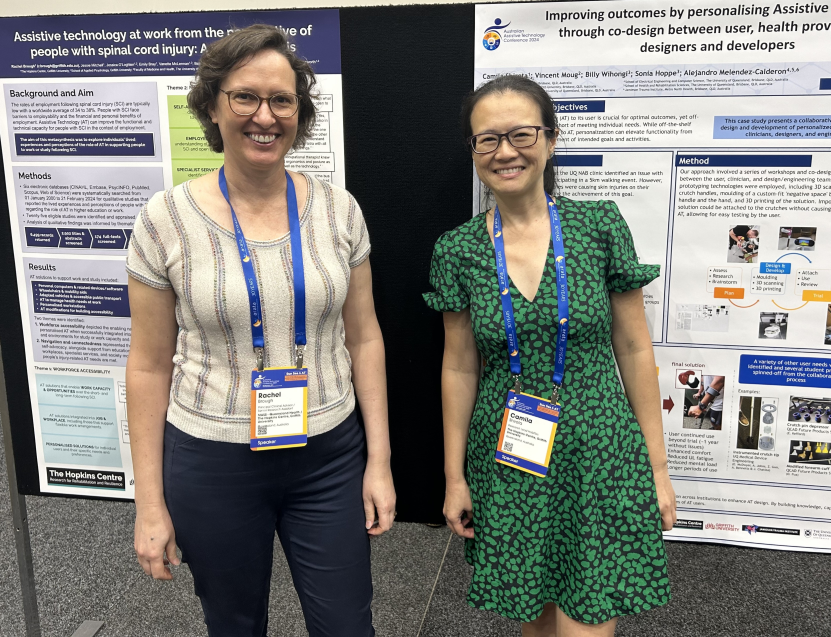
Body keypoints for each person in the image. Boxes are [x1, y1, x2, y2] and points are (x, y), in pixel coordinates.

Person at [125, 25, 394, 637]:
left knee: (348, 624)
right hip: (212, 458)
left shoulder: (338, 210)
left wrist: (379, 461)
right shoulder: (165, 220)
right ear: (213, 106)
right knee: (236, 623)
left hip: (328, 453)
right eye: (245, 97)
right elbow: (146, 365)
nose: (264, 116)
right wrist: (148, 505)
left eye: (282, 100)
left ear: (298, 112)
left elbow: (367, 337)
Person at [424, 75, 674, 636]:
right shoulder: (458, 249)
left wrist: (657, 468)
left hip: (598, 452)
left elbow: (635, 348)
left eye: (521, 134)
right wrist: (454, 476)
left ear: (552, 139)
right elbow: (459, 367)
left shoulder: (598, 226)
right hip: (510, 453)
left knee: (587, 616)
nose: (505, 151)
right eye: (487, 139)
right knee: (532, 615)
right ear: (473, 151)